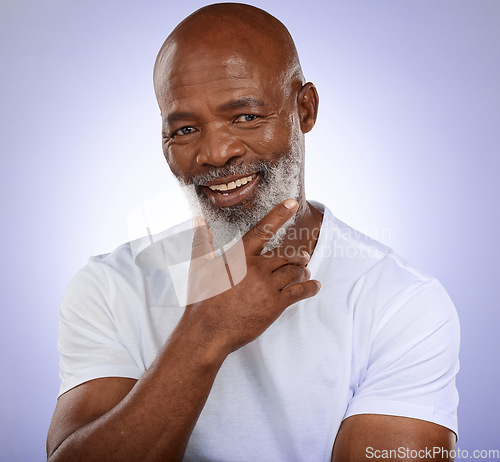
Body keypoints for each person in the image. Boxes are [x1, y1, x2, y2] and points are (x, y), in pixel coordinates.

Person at [47, 3, 459, 461]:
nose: (216, 153)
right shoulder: (110, 286)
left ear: (305, 108)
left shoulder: (399, 303)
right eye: (185, 129)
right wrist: (204, 334)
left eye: (245, 117)